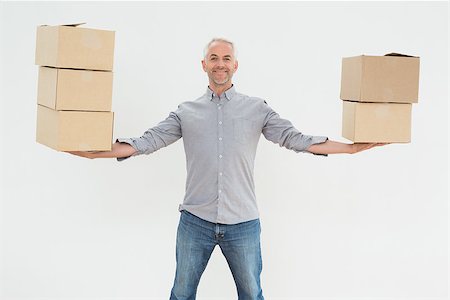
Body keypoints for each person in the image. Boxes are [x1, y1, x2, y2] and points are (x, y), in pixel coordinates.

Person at [68, 38, 385, 300]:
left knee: (252, 295)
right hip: (195, 222)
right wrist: (96, 154)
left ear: (235, 65)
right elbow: (145, 142)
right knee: (181, 294)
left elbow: (296, 139)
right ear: (203, 64)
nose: (220, 63)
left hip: (243, 224)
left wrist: (352, 148)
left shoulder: (257, 109)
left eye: (226, 58)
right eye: (213, 57)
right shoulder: (186, 112)